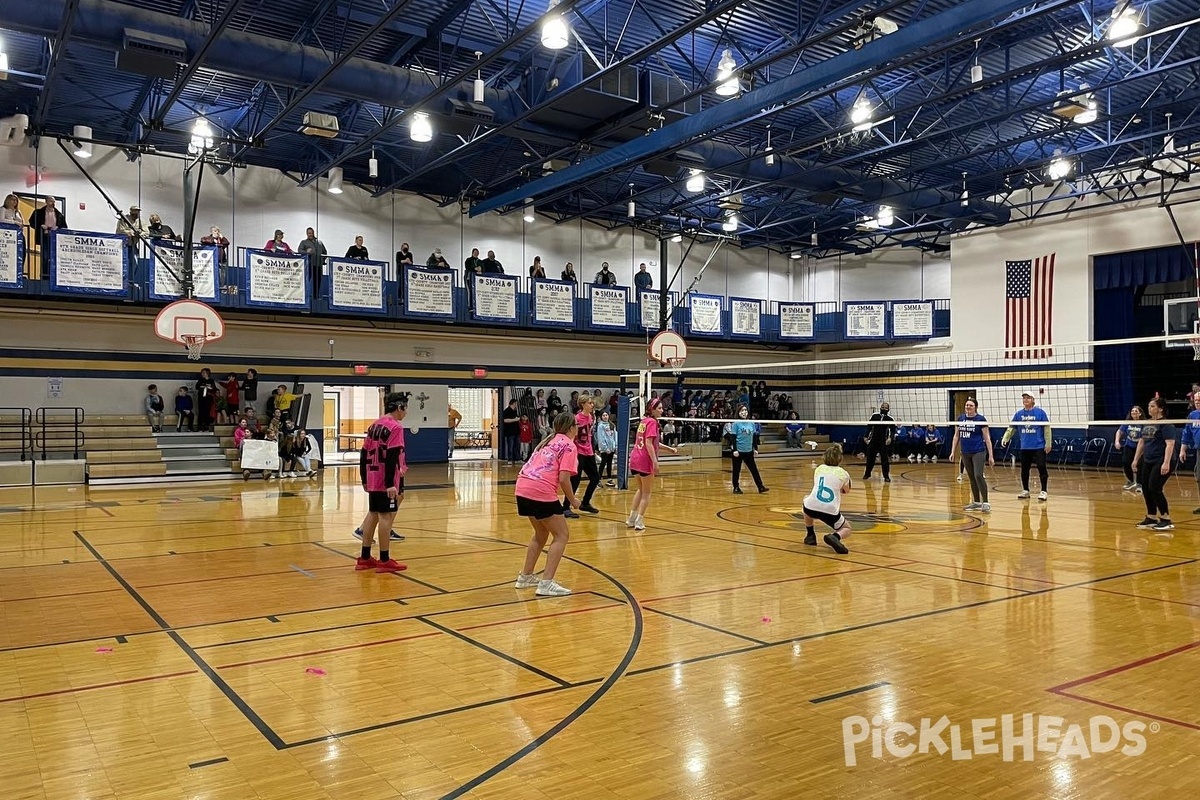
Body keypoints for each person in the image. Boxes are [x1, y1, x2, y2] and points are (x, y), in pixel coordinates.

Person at [513, 411, 581, 597]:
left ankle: (525, 576)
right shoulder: (568, 446)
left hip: (523, 486)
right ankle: (546, 583)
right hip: (539, 489)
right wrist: (572, 500)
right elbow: (564, 478)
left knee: (541, 533)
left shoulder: (548, 440)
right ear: (571, 428)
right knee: (561, 535)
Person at [356, 392, 409, 573]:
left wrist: (363, 477)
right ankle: (384, 560)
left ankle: (364, 558)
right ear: (399, 407)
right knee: (385, 517)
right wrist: (390, 484)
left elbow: (363, 454)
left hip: (372, 476)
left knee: (373, 514)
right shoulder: (395, 427)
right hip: (386, 478)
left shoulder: (374, 426)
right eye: (405, 408)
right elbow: (392, 455)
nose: (406, 413)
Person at [627, 397, 676, 531]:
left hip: (635, 458)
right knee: (647, 493)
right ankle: (639, 521)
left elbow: (653, 442)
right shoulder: (653, 422)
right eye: (659, 408)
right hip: (644, 460)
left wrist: (669, 449)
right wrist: (655, 462)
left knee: (640, 489)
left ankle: (631, 518)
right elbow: (648, 443)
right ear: (652, 410)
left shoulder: (644, 421)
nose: (662, 410)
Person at [1133, 397, 1177, 531]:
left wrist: (1166, 463)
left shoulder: (1166, 424)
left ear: (1160, 409)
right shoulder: (1146, 423)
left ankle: (1166, 518)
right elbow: (1141, 442)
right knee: (1145, 488)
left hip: (1162, 460)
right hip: (1148, 459)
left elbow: (1170, 444)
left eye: (1152, 406)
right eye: (1149, 406)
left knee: (1154, 487)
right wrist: (1135, 460)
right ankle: (1151, 517)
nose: (1149, 408)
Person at [1001, 390, 1052, 501]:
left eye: (1028, 398)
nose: (1025, 400)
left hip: (1038, 446)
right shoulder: (1019, 414)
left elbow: (1047, 429)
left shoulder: (1040, 413)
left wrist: (1048, 443)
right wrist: (1006, 438)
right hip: (1025, 446)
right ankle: (1025, 490)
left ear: (1033, 400)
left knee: (1041, 467)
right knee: (1024, 469)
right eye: (1024, 398)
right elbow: (1011, 428)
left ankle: (1043, 491)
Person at [803, 445, 853, 554]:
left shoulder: (819, 468)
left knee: (807, 501)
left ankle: (810, 535)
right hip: (830, 511)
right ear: (840, 458)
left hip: (811, 507)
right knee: (847, 528)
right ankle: (835, 536)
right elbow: (846, 490)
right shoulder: (844, 473)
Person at [948, 398, 994, 512]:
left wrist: (991, 455)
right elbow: (956, 436)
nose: (968, 407)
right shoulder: (961, 418)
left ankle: (986, 502)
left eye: (971, 405)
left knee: (978, 475)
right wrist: (953, 451)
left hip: (978, 451)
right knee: (971, 477)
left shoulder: (980, 419)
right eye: (967, 405)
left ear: (975, 407)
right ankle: (976, 502)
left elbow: (987, 438)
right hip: (965, 452)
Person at [565, 396, 601, 516]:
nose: (592, 405)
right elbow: (571, 435)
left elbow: (590, 435)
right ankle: (565, 506)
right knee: (575, 480)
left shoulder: (591, 417)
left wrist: (593, 449)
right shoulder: (576, 418)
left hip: (589, 451)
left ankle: (585, 502)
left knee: (595, 477)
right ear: (583, 404)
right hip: (578, 452)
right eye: (590, 403)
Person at [725, 405, 768, 494]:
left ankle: (760, 487)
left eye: (745, 410)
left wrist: (755, 448)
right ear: (738, 412)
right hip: (738, 451)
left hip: (748, 451)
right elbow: (733, 437)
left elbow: (754, 436)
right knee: (736, 470)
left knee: (754, 470)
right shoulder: (736, 423)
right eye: (742, 411)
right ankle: (736, 487)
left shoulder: (751, 423)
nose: (744, 412)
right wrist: (735, 450)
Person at [862, 401, 896, 482]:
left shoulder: (890, 419)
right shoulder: (875, 416)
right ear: (880, 408)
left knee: (884, 459)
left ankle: (886, 476)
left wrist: (890, 438)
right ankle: (867, 474)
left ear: (888, 409)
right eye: (882, 407)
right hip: (873, 440)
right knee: (870, 459)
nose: (884, 409)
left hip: (883, 441)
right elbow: (869, 427)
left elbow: (893, 430)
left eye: (885, 408)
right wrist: (865, 436)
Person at [1178, 395, 1200, 513]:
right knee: (1199, 477)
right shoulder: (1193, 415)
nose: (1197, 402)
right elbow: (1186, 434)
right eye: (1195, 400)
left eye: (1199, 400)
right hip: (1199, 450)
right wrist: (1182, 450)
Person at [1115, 405, 1145, 492]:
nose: (1134, 412)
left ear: (1140, 413)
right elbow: (1119, 431)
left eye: (1136, 411)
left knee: (1139, 465)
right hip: (1129, 445)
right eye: (1132, 411)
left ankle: (1140, 484)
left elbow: (1143, 439)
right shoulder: (1128, 422)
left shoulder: (1144, 423)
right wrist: (1117, 441)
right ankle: (1131, 481)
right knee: (1126, 462)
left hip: (1140, 447)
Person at [596, 410, 618, 487]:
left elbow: (615, 435)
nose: (605, 417)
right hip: (605, 449)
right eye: (603, 415)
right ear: (601, 417)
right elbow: (601, 437)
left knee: (610, 463)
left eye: (606, 415)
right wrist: (605, 448)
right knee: (603, 463)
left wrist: (615, 446)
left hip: (611, 448)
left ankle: (609, 479)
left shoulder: (612, 425)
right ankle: (598, 479)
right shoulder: (600, 426)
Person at [501, 398, 520, 466]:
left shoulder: (515, 411)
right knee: (510, 446)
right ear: (513, 403)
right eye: (516, 403)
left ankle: (517, 458)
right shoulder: (507, 411)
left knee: (516, 445)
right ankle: (510, 459)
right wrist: (514, 420)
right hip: (510, 432)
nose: (516, 405)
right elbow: (505, 420)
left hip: (516, 431)